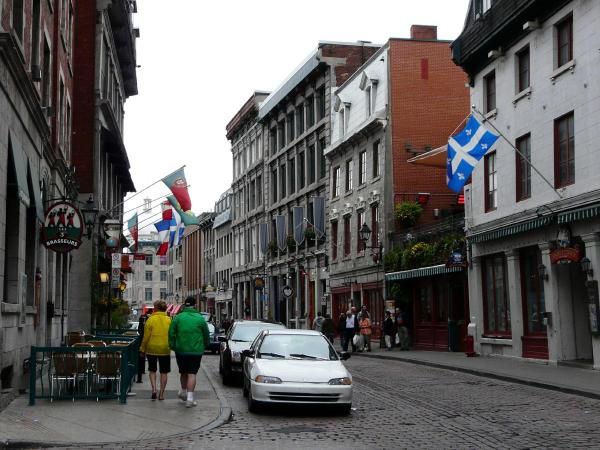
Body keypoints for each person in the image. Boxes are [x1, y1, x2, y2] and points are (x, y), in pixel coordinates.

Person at [169, 296, 210, 407]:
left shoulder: (178, 317)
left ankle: (183, 391)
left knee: (183, 372)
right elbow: (206, 334)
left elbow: (171, 333)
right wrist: (205, 345)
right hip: (196, 350)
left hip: (181, 350)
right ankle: (190, 399)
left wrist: (173, 345)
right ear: (195, 305)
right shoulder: (200, 318)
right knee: (192, 374)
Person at [139, 300, 171, 400]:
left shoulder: (150, 319)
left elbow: (146, 336)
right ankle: (161, 394)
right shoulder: (169, 320)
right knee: (164, 372)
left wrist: (142, 349)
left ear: (156, 308)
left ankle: (154, 389)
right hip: (165, 348)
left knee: (152, 370)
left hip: (152, 347)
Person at [136, 309, 152, 383]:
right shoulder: (151, 318)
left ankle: (141, 373)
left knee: (141, 355)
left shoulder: (142, 317)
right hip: (149, 341)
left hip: (142, 339)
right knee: (143, 356)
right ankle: (142, 371)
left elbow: (140, 328)